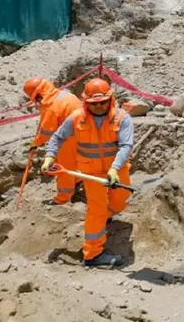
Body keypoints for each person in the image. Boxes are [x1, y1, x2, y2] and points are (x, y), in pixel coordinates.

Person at [42, 78, 134, 268]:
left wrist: (114, 168)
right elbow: (57, 137)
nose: (99, 106)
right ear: (86, 102)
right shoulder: (76, 118)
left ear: (111, 99)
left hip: (116, 170)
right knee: (96, 209)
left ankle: (104, 218)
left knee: (120, 202)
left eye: (103, 102)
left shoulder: (122, 118)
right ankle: (93, 254)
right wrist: (50, 156)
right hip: (91, 171)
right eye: (94, 103)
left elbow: (126, 146)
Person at [23, 77, 83, 205]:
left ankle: (63, 198)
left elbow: (46, 132)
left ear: (38, 95)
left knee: (63, 168)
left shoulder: (50, 106)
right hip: (82, 132)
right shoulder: (65, 95)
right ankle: (77, 181)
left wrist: (35, 143)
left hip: (69, 137)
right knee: (74, 162)